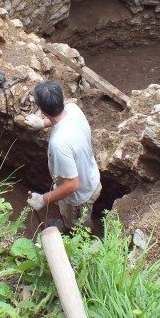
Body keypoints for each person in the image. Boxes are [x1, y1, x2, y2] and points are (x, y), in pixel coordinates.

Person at [25, 80, 102, 231]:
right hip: (90, 176)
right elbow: (59, 118)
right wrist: (43, 124)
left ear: (42, 109)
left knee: (80, 226)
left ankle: (87, 238)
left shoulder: (59, 144)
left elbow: (71, 185)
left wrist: (43, 199)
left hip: (79, 196)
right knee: (82, 218)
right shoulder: (73, 109)